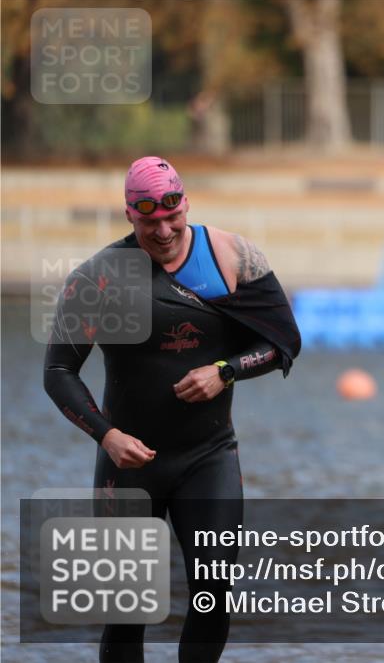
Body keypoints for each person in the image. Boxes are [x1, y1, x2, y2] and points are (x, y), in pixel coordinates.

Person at [43, 157, 301, 662]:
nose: (162, 231)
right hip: (128, 465)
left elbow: (283, 343)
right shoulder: (99, 278)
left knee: (213, 595)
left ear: (185, 204)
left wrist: (225, 370)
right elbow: (58, 373)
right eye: (148, 222)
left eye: (172, 217)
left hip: (208, 458)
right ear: (128, 216)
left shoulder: (233, 256)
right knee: (125, 614)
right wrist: (106, 435)